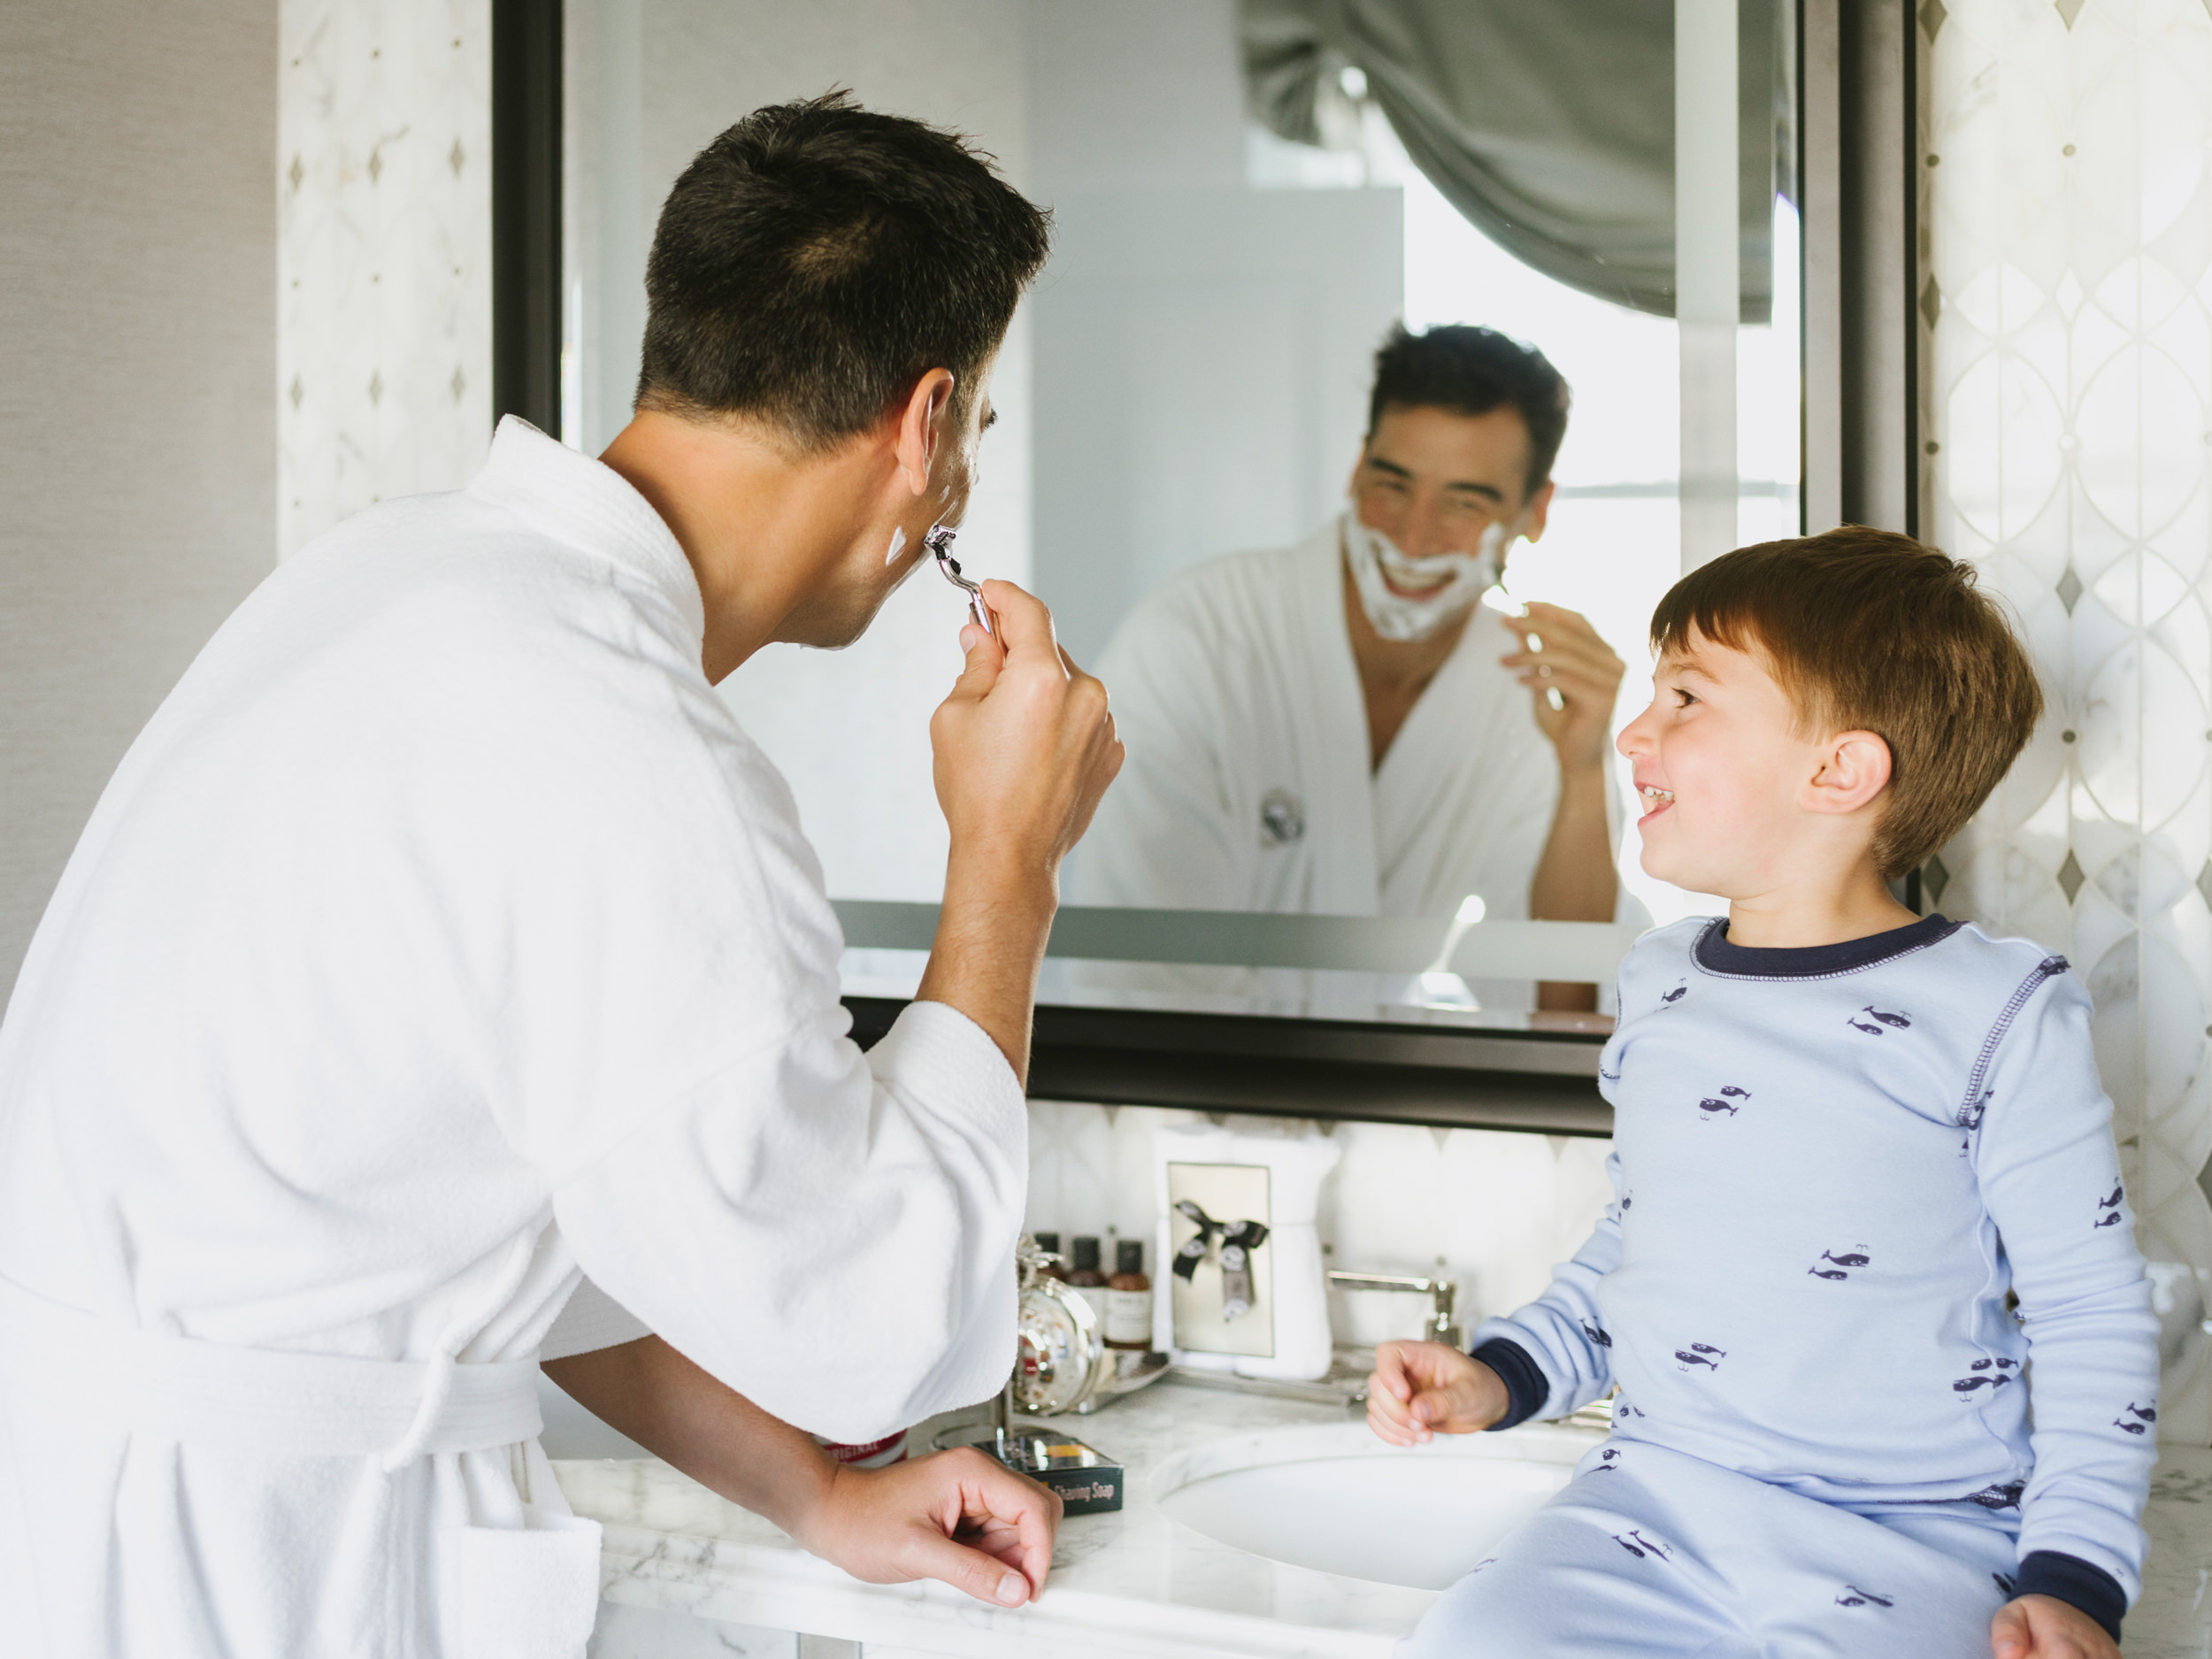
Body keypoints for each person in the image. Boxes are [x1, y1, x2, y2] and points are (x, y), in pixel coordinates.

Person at [0, 94, 1122, 1658]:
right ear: (924, 428)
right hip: (257, 1568)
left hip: (96, 1504)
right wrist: (1009, 860)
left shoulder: (383, 576)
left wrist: (813, 1494)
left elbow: (553, 1199)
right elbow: (868, 1328)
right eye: (977, 434)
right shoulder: (626, 748)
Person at [1367, 529, 2154, 1659]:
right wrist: (1501, 1376)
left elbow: (2089, 1314)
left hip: (1915, 1535)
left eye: (1685, 696)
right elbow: (1647, 1242)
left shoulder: (2000, 1013)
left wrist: (2076, 1577)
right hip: (1651, 1507)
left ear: (1837, 771)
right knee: (1463, 1640)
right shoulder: (1662, 980)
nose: (1635, 732)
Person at [1069, 324, 1630, 1011]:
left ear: (1534, 512)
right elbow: (1140, 968)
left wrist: (1584, 772)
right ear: (1358, 468)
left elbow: (1561, 999)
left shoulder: (1525, 694)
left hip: (1360, 1100)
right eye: (1392, 486)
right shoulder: (1201, 636)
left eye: (1463, 503)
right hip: (1163, 1099)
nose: (1414, 536)